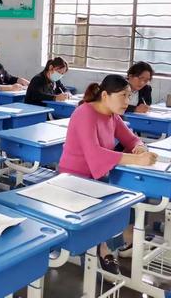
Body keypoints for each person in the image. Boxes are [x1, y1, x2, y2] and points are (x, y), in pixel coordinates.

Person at [59, 74, 157, 274]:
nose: (127, 102)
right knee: (115, 201)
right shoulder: (84, 113)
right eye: (123, 96)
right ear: (105, 95)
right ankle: (101, 247)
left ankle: (123, 242)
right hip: (72, 180)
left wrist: (139, 147)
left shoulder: (112, 115)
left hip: (96, 177)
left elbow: (131, 139)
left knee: (131, 195)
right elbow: (94, 154)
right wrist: (136, 159)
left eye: (129, 96)